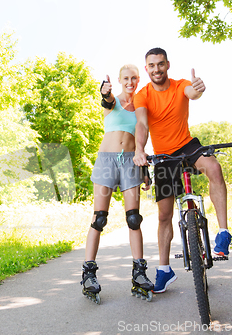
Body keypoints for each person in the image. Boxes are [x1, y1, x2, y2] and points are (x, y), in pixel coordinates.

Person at [133, 48, 232, 294]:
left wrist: (198, 88)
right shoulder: (142, 95)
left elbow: (193, 93)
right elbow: (143, 124)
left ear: (168, 65)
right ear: (147, 69)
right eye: (151, 65)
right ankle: (165, 270)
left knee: (213, 166)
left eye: (160, 64)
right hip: (164, 156)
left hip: (187, 147)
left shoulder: (180, 86)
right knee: (164, 215)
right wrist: (139, 150)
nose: (156, 69)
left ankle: (223, 233)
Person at [81, 64, 154, 302]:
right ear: (120, 80)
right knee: (99, 218)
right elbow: (107, 101)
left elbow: (143, 136)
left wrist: (144, 170)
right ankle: (88, 273)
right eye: (126, 78)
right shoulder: (113, 101)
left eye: (134, 78)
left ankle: (139, 273)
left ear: (138, 78)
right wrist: (105, 92)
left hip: (131, 163)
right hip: (106, 161)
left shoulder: (142, 107)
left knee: (134, 218)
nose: (130, 82)